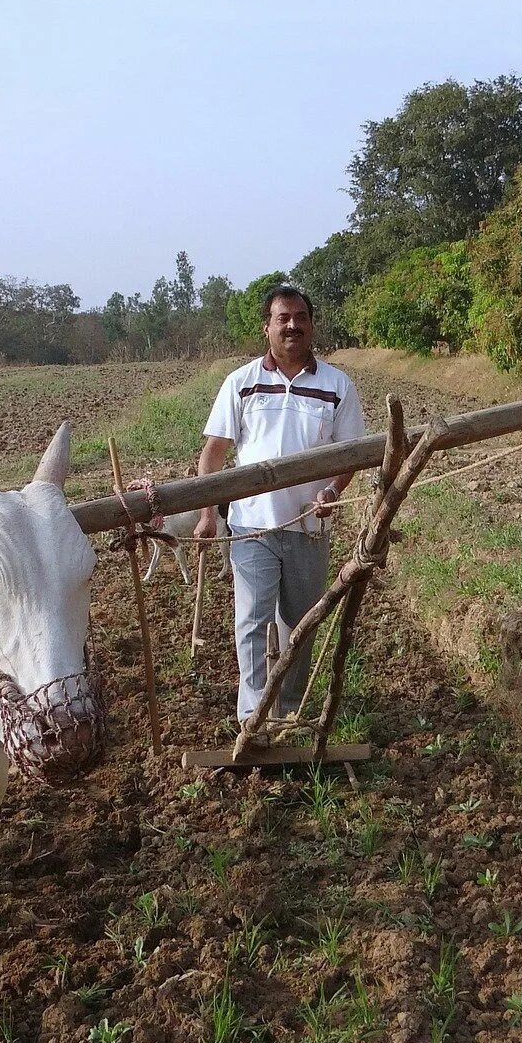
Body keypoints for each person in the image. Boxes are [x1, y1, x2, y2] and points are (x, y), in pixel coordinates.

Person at [195, 284, 365, 721]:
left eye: (300, 318)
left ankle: (290, 711)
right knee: (252, 622)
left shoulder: (336, 385)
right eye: (282, 318)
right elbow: (215, 451)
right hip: (253, 526)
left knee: (301, 624)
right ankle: (253, 715)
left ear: (311, 325)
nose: (292, 325)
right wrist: (207, 512)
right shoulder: (242, 382)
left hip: (310, 527)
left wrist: (332, 491)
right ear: (267, 327)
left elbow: (351, 455)